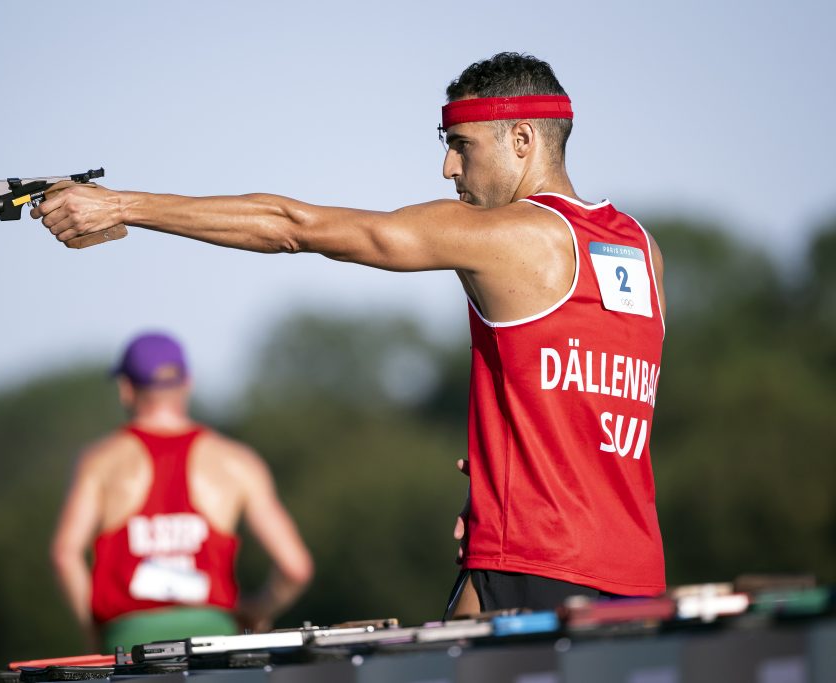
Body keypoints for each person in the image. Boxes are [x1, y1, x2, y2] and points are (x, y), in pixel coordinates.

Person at [36, 52, 667, 614]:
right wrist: (511, 470)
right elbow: (593, 400)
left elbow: (293, 227)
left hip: (536, 563)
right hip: (638, 574)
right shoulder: (642, 248)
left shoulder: (512, 237)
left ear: (523, 139)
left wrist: (120, 206)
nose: (447, 167)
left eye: (460, 144)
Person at [50, 332, 314, 652]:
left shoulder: (101, 462)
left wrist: (95, 632)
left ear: (126, 389)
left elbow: (66, 554)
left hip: (131, 641)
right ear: (186, 383)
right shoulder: (237, 462)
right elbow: (296, 567)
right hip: (215, 637)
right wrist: (256, 611)